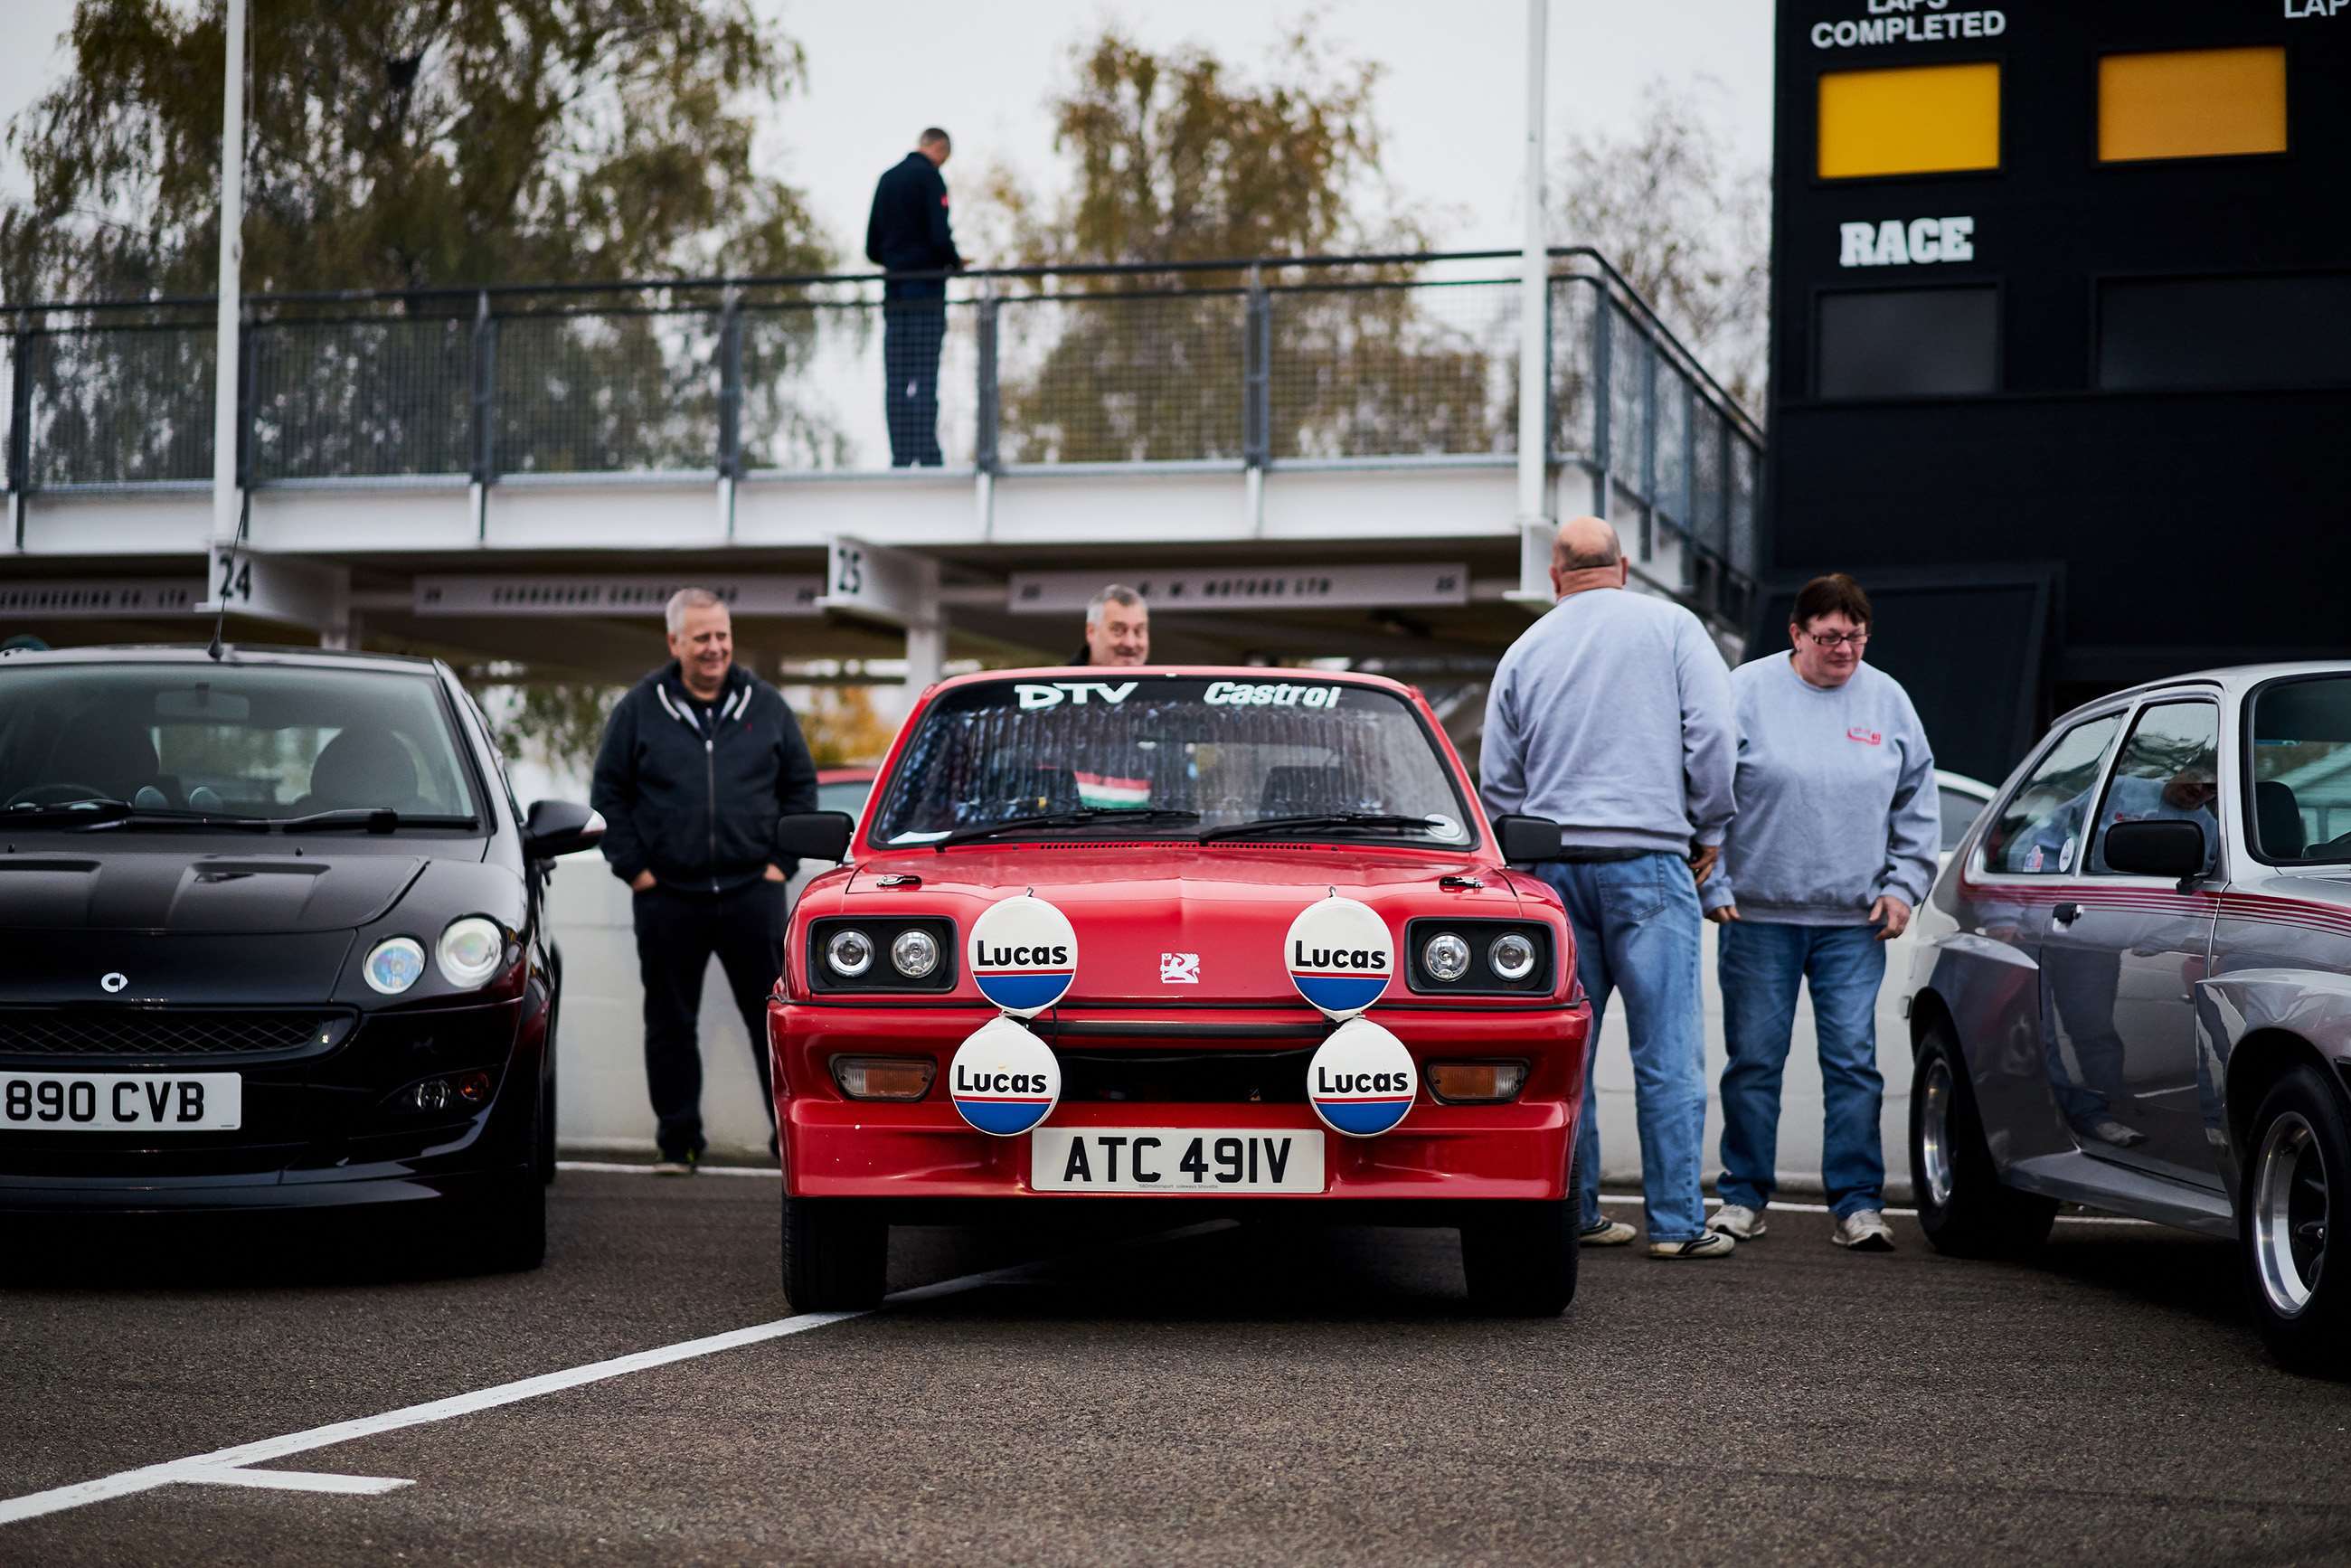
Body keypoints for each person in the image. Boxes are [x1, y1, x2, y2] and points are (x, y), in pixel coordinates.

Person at [1480, 516, 1738, 1260]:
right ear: (1624, 566)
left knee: (1570, 1054)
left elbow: (1500, 780)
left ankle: (1580, 1213)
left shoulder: (1526, 648)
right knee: (1668, 1052)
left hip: (1554, 873)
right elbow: (1715, 736)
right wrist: (1709, 825)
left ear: (1557, 577)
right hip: (1651, 864)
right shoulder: (1674, 627)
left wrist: (1527, 859)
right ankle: (1678, 1226)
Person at [1699, 573, 1938, 1252]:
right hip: (1757, 918)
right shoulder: (1744, 690)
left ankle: (1858, 1205)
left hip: (1853, 921)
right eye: (1830, 636)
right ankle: (1742, 1197)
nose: (1845, 650)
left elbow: (1916, 804)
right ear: (1796, 634)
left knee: (1853, 1062)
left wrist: (1903, 885)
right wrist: (1713, 886)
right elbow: (1704, 792)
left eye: (1856, 636)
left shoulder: (1888, 699)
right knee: (1753, 1062)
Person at [591, 588, 818, 1173]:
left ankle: (789, 1142)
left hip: (753, 893)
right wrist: (637, 871)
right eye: (702, 638)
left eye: (722, 635)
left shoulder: (765, 706)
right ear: (675, 643)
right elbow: (608, 796)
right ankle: (679, 1143)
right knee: (669, 1024)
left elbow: (800, 788)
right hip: (667, 897)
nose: (715, 648)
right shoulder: (639, 710)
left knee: (772, 1022)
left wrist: (779, 866)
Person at [864, 128, 964, 467]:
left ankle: (901, 455)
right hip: (927, 292)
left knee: (896, 377)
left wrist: (897, 259)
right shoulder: (931, 180)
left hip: (894, 293)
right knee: (924, 374)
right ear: (938, 148)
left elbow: (871, 248)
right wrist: (954, 262)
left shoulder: (887, 180)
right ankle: (928, 454)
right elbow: (939, 236)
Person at [1070, 584, 1149, 666]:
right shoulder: (1061, 678)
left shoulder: (1160, 678)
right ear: (1091, 632)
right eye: (1118, 631)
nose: (1130, 643)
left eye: (1138, 631)